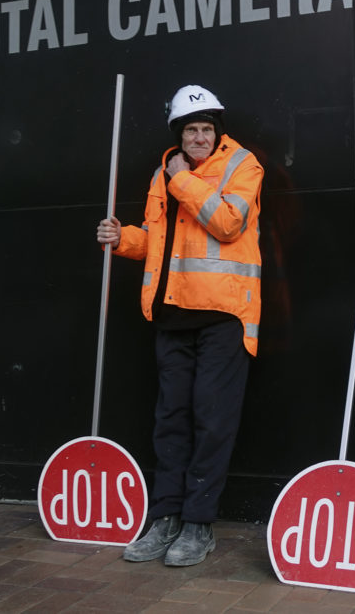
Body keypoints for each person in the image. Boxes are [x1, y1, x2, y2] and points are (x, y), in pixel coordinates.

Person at [96, 84, 263, 567]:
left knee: (212, 422)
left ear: (218, 132)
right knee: (171, 421)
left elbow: (228, 223)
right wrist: (122, 238)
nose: (199, 137)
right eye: (190, 129)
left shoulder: (242, 165)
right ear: (178, 132)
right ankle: (166, 517)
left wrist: (181, 181)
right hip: (171, 314)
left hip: (224, 316)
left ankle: (198, 525)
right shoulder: (163, 173)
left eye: (206, 129)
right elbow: (161, 242)